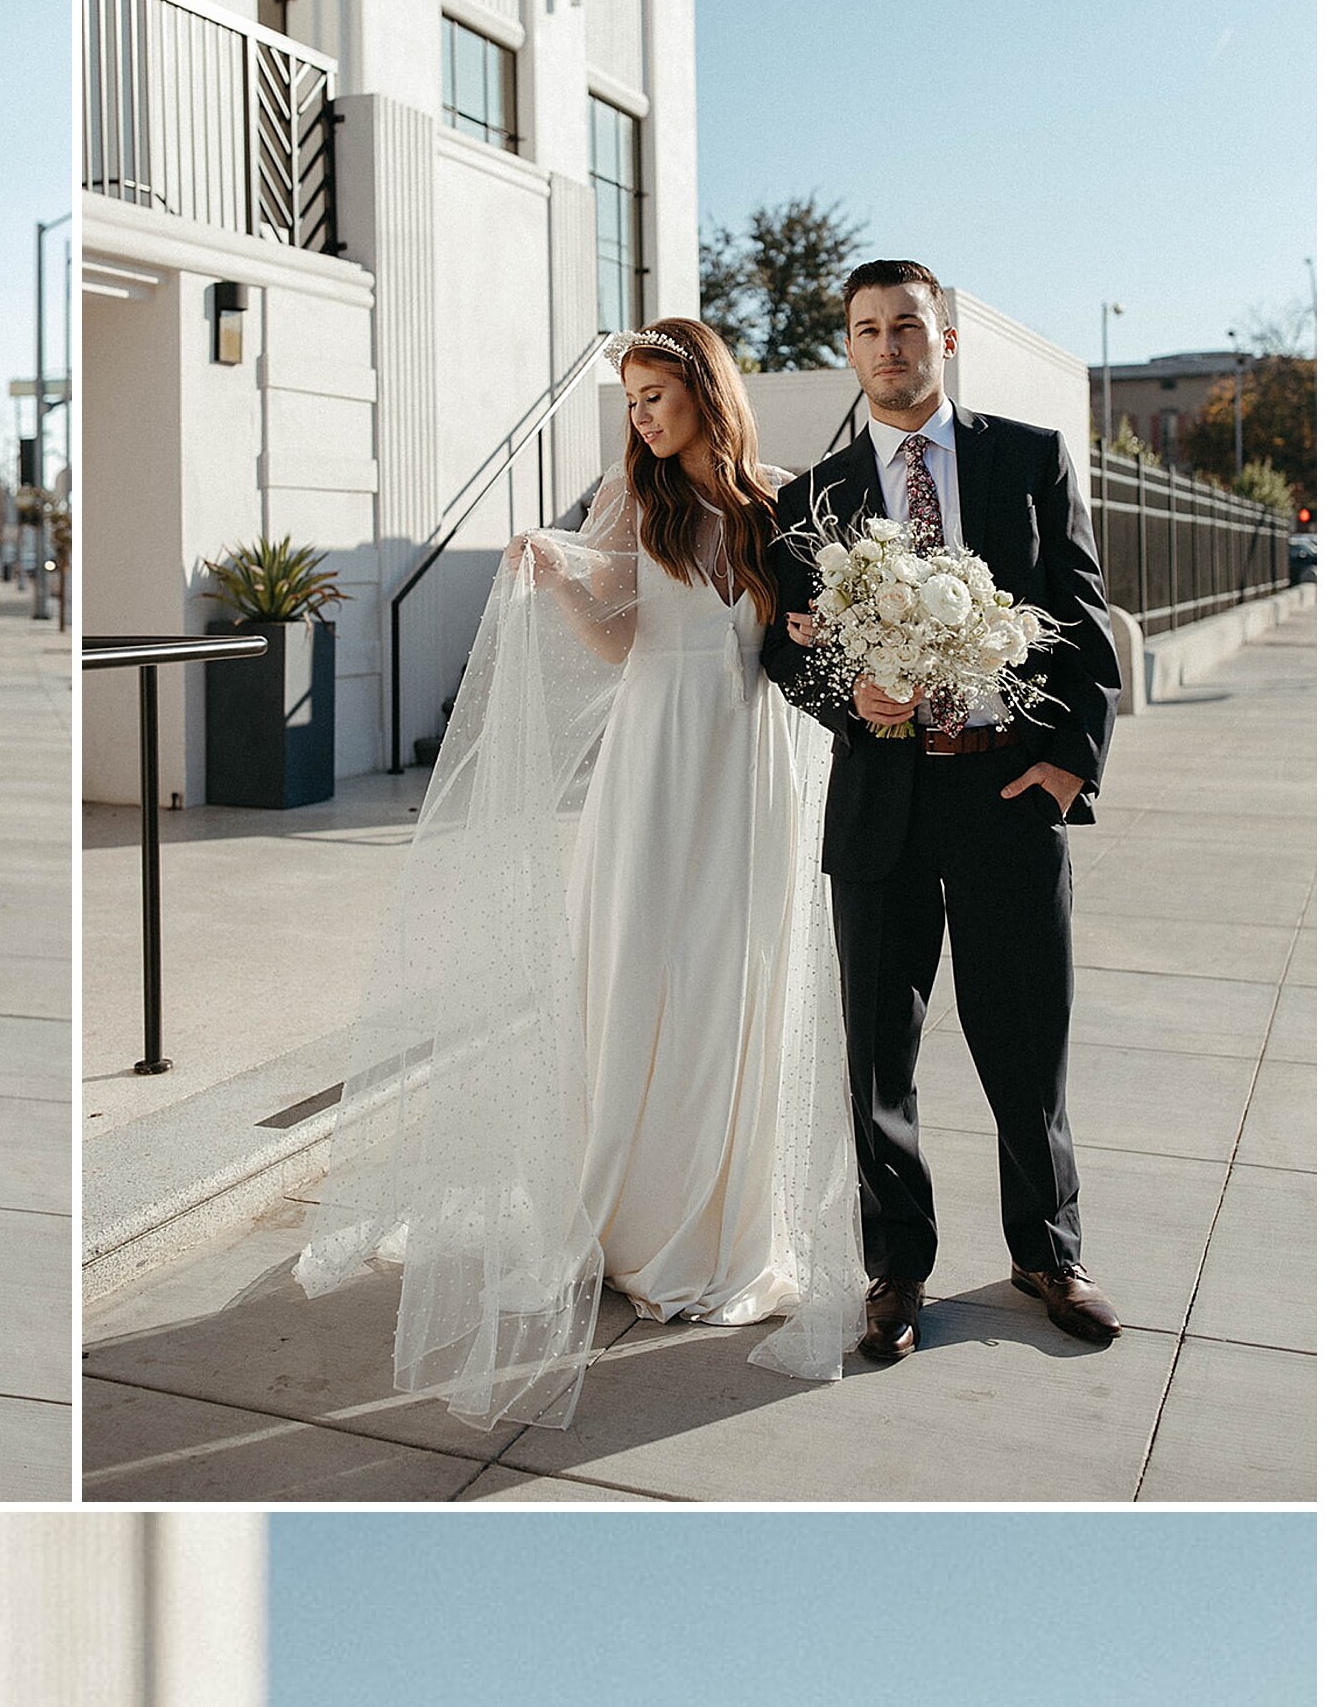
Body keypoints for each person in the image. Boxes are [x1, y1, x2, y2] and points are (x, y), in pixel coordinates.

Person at [298, 319, 859, 1439]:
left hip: (746, 770)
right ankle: (617, 1215)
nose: (642, 417)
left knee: (727, 981)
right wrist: (557, 576)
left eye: (657, 395)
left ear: (706, 391)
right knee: (635, 971)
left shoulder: (780, 499)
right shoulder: (628, 498)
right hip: (650, 768)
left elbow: (799, 642)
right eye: (632, 400)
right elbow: (613, 643)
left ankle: (714, 1227)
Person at [760, 262, 1124, 1364]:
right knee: (880, 1051)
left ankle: (1047, 1253)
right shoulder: (807, 499)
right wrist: (844, 694)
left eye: (907, 327)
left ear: (944, 339)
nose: (889, 347)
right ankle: (896, 1272)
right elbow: (782, 647)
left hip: (1008, 789)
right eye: (867, 330)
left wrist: (1069, 769)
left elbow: (1085, 617)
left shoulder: (1026, 456)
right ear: (850, 347)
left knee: (1025, 1036)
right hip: (882, 799)